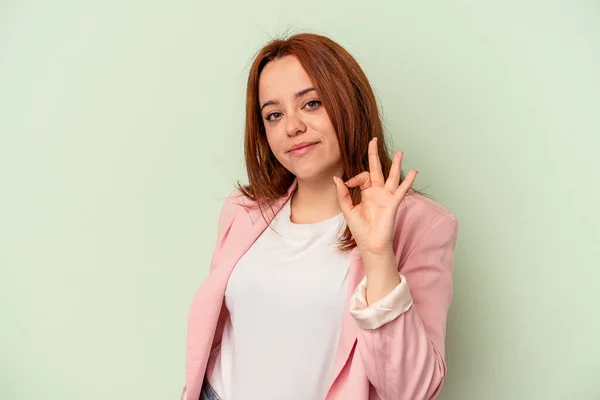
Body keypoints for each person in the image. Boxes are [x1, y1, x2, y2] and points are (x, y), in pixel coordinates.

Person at [182, 33, 459, 400]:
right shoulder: (243, 210)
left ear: (350, 103)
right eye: (274, 114)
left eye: (311, 103)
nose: (292, 127)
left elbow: (413, 390)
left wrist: (378, 258)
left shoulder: (421, 225)